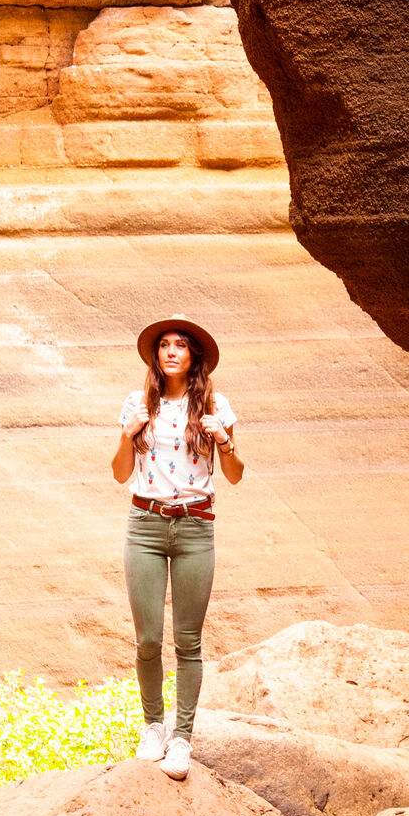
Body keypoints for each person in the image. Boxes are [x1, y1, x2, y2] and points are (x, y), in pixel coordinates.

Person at [112, 316, 243, 780]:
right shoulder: (136, 403)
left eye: (180, 346)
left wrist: (222, 439)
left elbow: (235, 474)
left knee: (188, 642)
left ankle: (182, 739)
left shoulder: (214, 404)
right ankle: (153, 727)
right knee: (148, 639)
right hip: (145, 524)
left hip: (194, 527)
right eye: (164, 345)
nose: (171, 352)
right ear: (156, 356)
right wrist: (129, 432)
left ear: (194, 357)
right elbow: (119, 472)